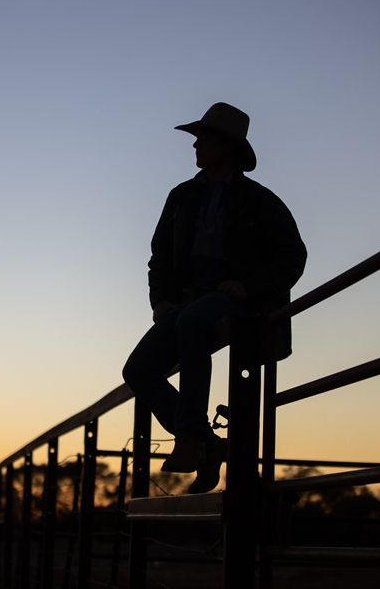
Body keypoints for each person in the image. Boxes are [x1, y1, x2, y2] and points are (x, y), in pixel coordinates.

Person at [122, 102, 307, 494]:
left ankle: (190, 439)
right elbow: (160, 257)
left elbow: (293, 255)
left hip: (236, 301)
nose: (195, 146)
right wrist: (160, 301)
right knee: (138, 369)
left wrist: (250, 286)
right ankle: (207, 443)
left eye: (203, 139)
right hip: (188, 301)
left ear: (226, 146)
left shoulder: (259, 201)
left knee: (194, 323)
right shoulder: (182, 197)